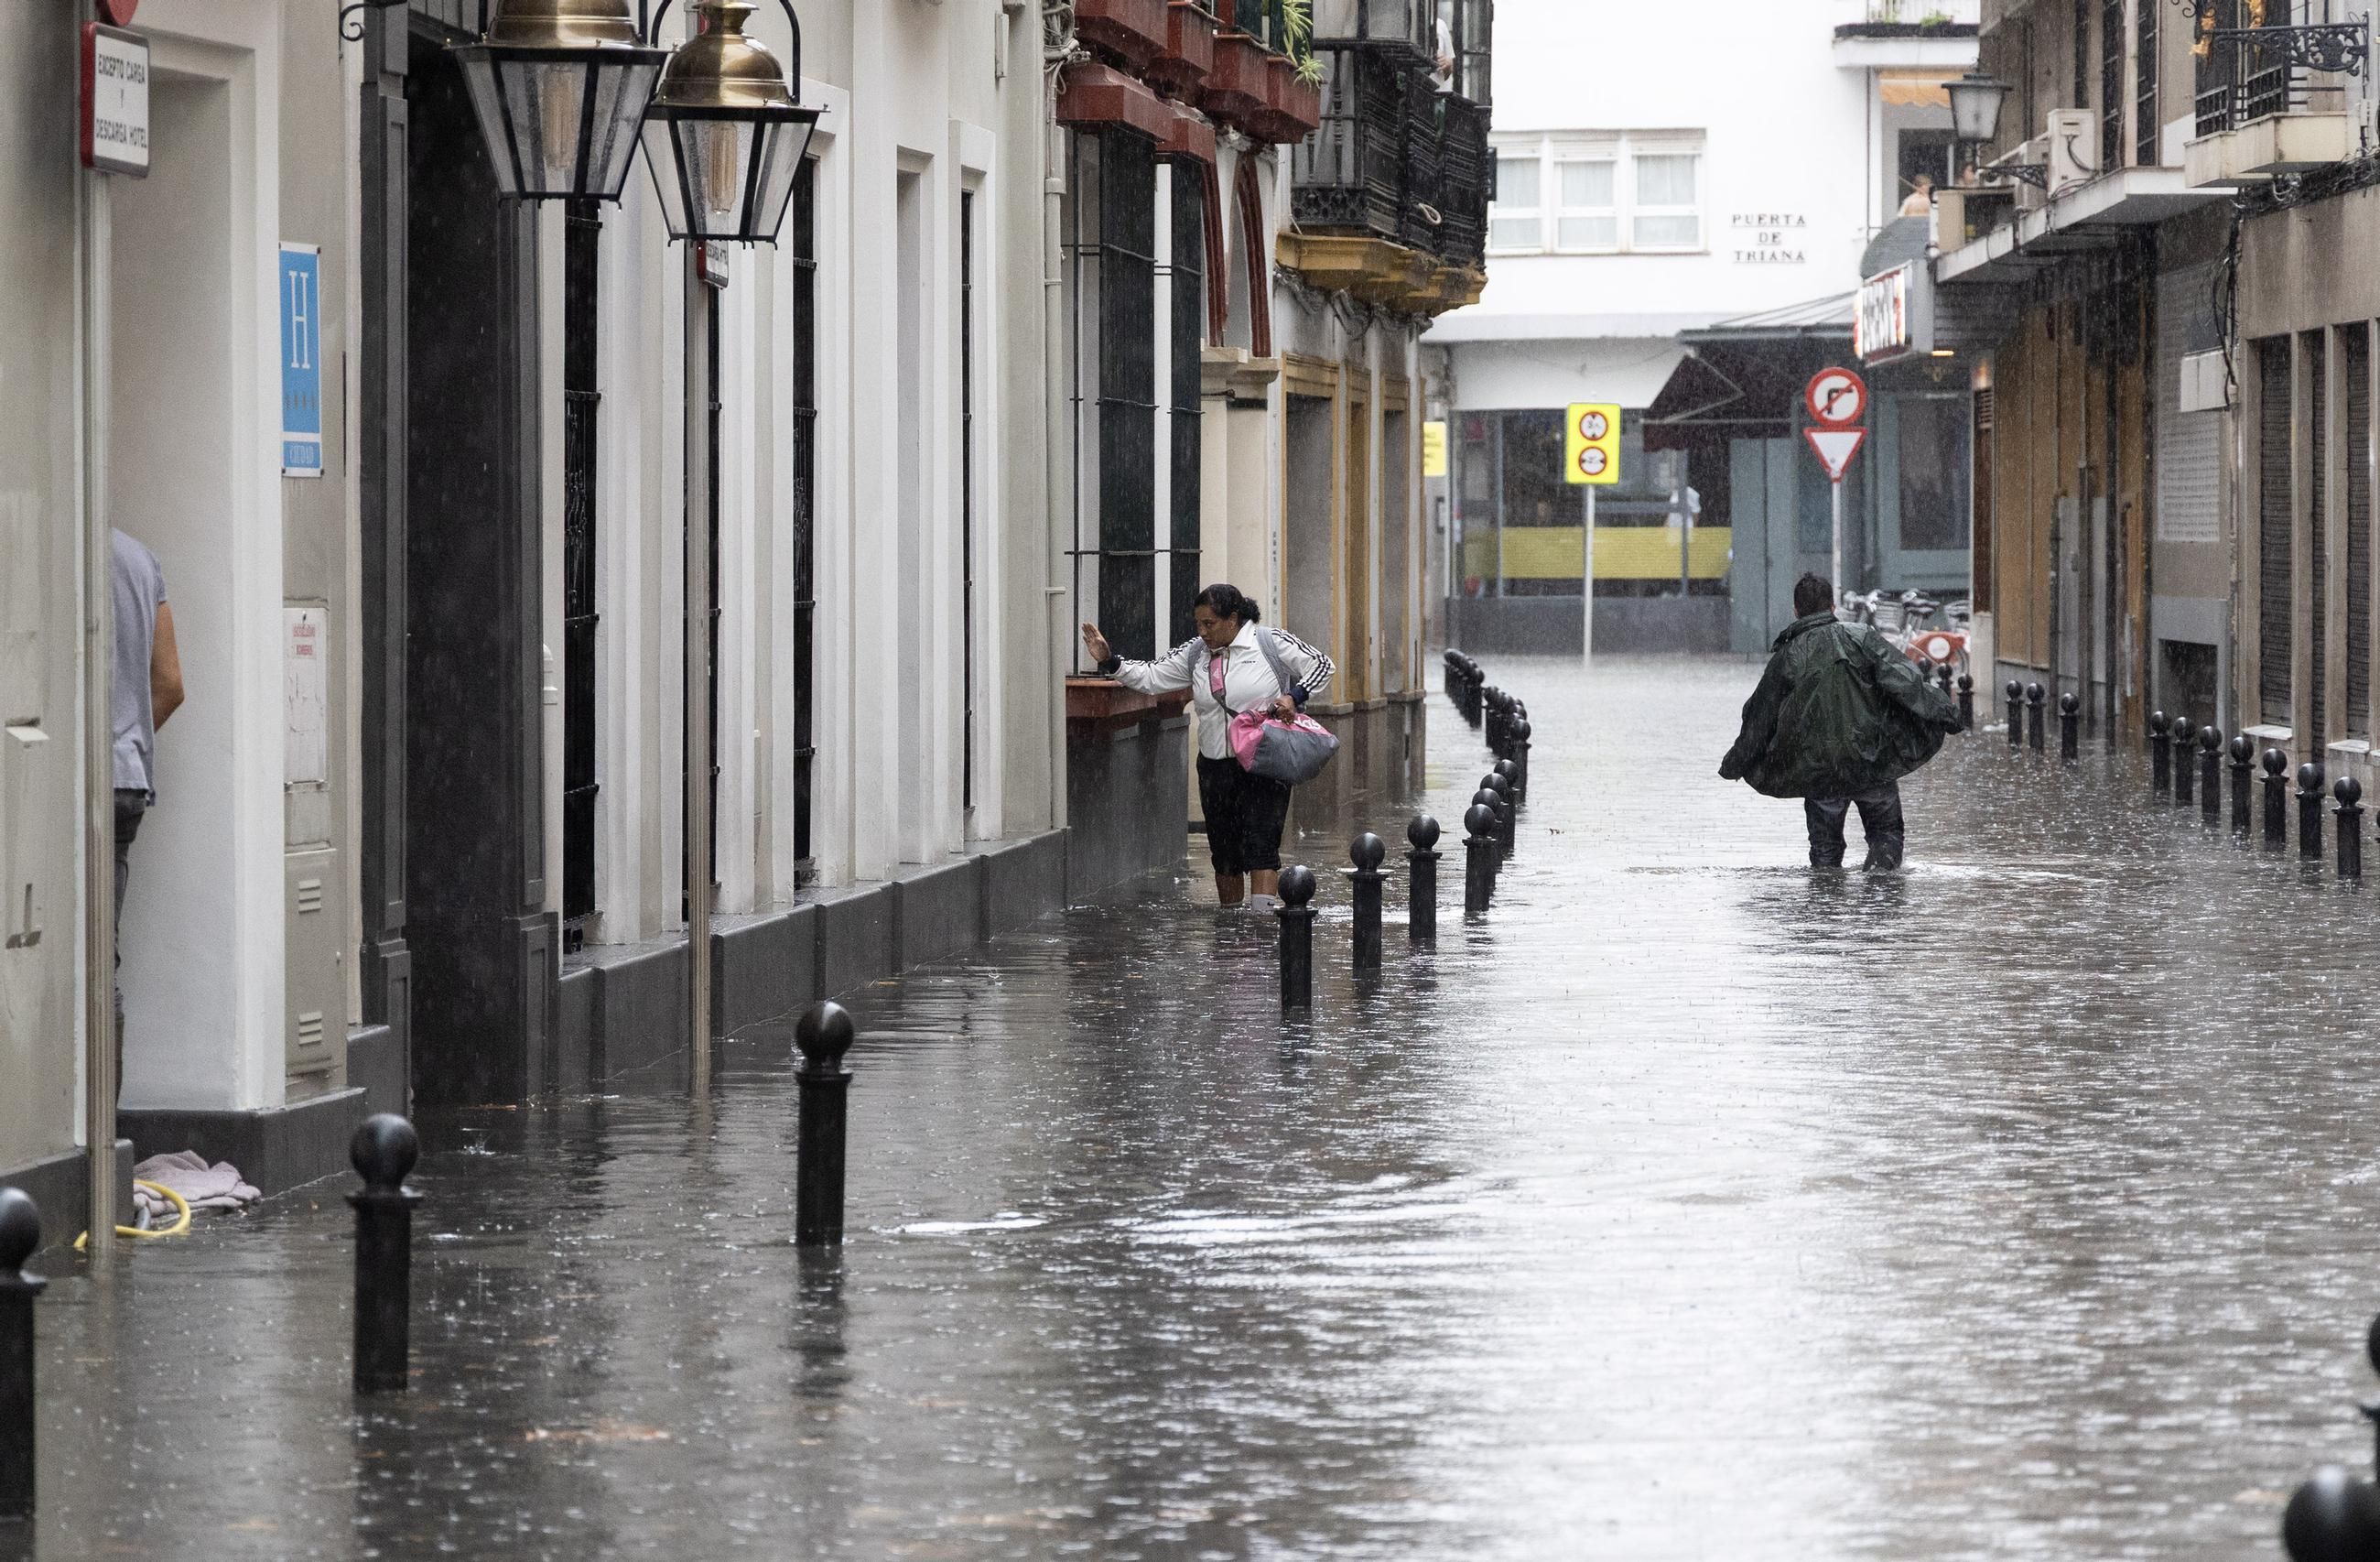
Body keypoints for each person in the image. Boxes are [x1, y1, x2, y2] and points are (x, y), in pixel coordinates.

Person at [1082, 585, 1335, 912]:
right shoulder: (1195, 653)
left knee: (1261, 847)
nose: (1203, 632)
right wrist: (1110, 660)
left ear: (1233, 619)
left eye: (1210, 624)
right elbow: (1151, 677)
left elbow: (1322, 664)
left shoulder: (1270, 642)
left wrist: (1293, 697)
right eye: (1198, 624)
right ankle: (1231, 930)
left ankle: (1260, 928)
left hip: (1264, 763)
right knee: (1224, 853)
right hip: (1215, 766)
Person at [1718, 571, 1956, 871]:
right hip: (1873, 760)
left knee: (1825, 853)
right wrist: (1947, 714)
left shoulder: (1787, 656)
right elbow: (1907, 683)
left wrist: (1736, 763)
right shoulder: (1862, 638)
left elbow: (1759, 718)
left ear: (1796, 611)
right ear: (1833, 608)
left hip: (1819, 770)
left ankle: (1826, 909)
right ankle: (1881, 901)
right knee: (1886, 836)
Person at [113, 529, 182, 1094]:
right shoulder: (140, 557)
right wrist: (128, 741)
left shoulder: (52, 545)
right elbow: (170, 683)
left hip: (69, 783)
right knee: (99, 957)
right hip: (124, 781)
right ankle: (103, 1130)